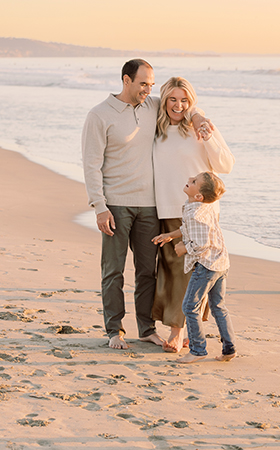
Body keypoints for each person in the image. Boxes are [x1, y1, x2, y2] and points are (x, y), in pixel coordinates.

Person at [81, 59, 211, 350]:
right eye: (143, 84)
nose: (148, 90)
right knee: (113, 270)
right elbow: (91, 165)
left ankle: (146, 328)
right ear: (126, 80)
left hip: (149, 206)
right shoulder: (99, 115)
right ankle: (114, 330)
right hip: (115, 205)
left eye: (151, 85)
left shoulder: (153, 106)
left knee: (146, 271)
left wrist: (199, 118)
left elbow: (183, 105)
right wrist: (99, 205)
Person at [152, 77, 235, 353]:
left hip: (200, 213)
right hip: (168, 208)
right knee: (174, 272)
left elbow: (225, 164)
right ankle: (186, 329)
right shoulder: (157, 127)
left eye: (184, 100)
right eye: (173, 99)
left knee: (196, 273)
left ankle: (178, 333)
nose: (178, 105)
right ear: (164, 99)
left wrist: (204, 127)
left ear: (192, 102)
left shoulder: (201, 127)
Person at [152, 172, 236, 364]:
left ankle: (198, 350)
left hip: (207, 266)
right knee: (218, 307)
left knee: (190, 307)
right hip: (221, 263)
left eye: (193, 182)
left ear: (199, 196)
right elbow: (187, 229)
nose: (188, 180)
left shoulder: (195, 213)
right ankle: (229, 348)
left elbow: (201, 243)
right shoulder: (202, 207)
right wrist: (171, 236)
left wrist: (183, 248)